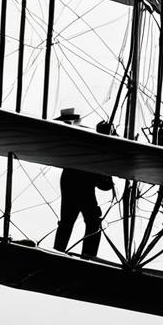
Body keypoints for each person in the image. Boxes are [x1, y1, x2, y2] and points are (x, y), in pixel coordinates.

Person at [52, 108, 114, 258]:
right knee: (90, 221)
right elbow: (104, 185)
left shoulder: (82, 139)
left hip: (72, 179)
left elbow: (103, 184)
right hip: (80, 181)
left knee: (69, 220)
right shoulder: (91, 142)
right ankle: (87, 255)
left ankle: (59, 251)